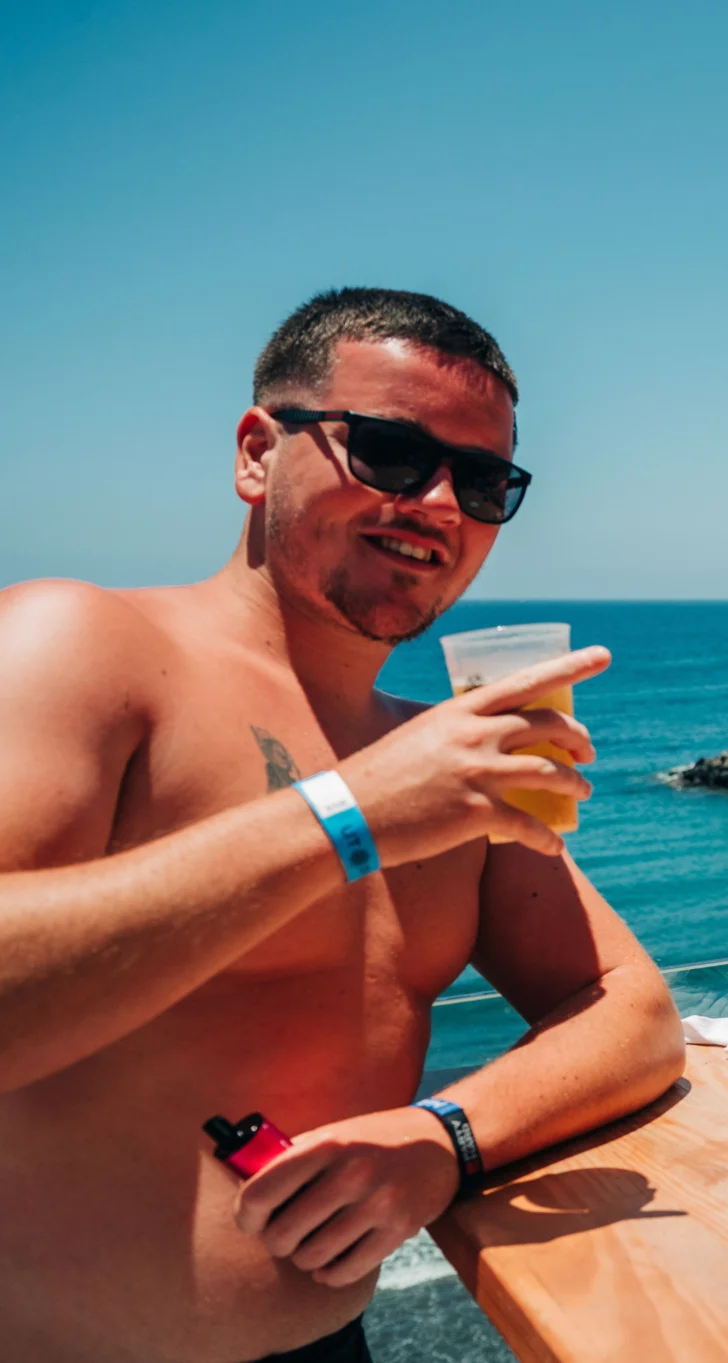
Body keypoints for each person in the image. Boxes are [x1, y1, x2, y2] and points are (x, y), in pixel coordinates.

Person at [0, 289, 688, 1362]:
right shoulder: (83, 644)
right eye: (390, 452)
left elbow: (629, 1013)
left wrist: (442, 1138)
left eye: (482, 480)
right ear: (255, 454)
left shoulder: (441, 756)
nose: (440, 504)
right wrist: (353, 814)